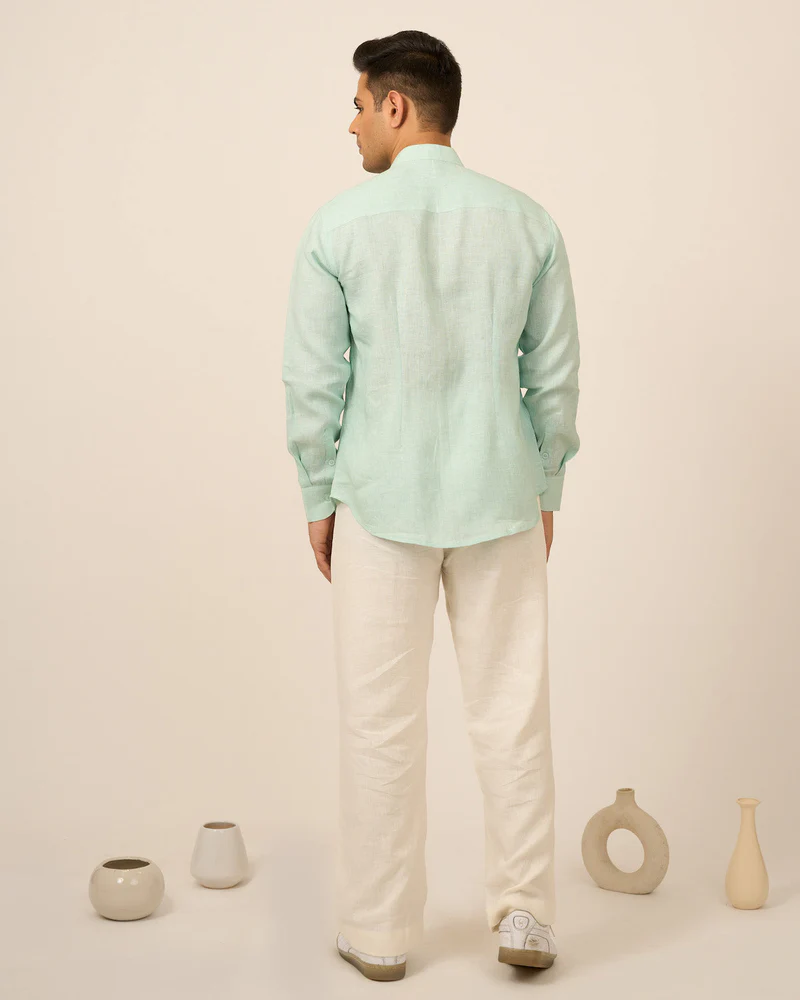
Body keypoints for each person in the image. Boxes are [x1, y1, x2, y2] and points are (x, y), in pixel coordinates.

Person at [282, 29, 580, 982]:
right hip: (502, 498)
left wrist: (318, 494)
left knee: (379, 723)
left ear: (397, 105)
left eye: (359, 105)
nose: (352, 124)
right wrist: (547, 484)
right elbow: (554, 380)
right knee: (512, 713)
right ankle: (527, 914)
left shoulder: (337, 226)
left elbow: (314, 383)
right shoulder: (528, 223)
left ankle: (379, 931)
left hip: (378, 503)